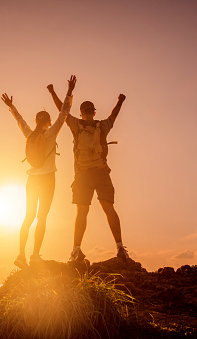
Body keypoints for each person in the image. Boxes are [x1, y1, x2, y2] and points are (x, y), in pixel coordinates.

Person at [46, 83, 128, 262]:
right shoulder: (102, 126)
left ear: (82, 112)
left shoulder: (76, 124)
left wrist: (53, 92)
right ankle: (120, 247)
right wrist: (119, 101)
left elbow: (63, 109)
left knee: (81, 212)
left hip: (82, 175)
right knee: (109, 209)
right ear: (94, 112)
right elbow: (114, 115)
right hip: (101, 173)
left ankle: (76, 251)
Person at [2, 75, 76, 269]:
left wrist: (11, 106)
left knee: (28, 217)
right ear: (49, 123)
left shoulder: (29, 134)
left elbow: (19, 120)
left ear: (36, 121)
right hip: (48, 180)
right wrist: (69, 92)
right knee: (42, 217)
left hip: (32, 180)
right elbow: (64, 113)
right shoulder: (52, 133)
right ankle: (35, 256)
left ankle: (20, 255)